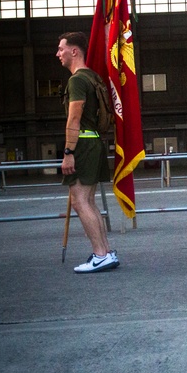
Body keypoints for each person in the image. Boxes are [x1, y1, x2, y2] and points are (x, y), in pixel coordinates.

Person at [56, 31, 119, 273]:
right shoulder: (93, 77)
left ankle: (100, 254)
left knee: (81, 202)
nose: (58, 54)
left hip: (81, 144)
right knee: (89, 202)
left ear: (74, 51)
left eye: (61, 49)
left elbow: (74, 118)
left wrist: (68, 151)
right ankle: (105, 251)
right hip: (94, 142)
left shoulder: (77, 81)